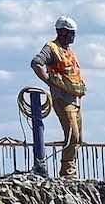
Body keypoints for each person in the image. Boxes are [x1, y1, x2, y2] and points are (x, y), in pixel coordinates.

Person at [29, 16, 88, 178]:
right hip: (63, 98)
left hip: (75, 99)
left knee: (78, 138)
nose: (73, 36)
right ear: (62, 32)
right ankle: (68, 173)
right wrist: (49, 82)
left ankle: (71, 170)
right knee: (72, 135)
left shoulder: (68, 51)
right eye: (70, 33)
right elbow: (36, 63)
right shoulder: (51, 48)